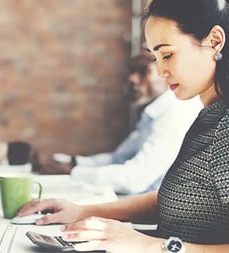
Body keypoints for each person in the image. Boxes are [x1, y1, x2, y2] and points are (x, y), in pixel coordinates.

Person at [17, 0, 229, 252]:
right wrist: (84, 211)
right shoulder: (212, 117)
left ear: (214, 41)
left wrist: (149, 245)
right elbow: (176, 201)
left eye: (168, 54)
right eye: (155, 57)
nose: (161, 72)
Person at [32, 53, 201, 195]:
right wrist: (68, 161)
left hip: (155, 218)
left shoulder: (176, 112)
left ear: (166, 74)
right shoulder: (155, 111)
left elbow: (134, 179)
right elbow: (119, 158)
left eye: (142, 71)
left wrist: (70, 171)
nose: (132, 79)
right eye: (132, 71)